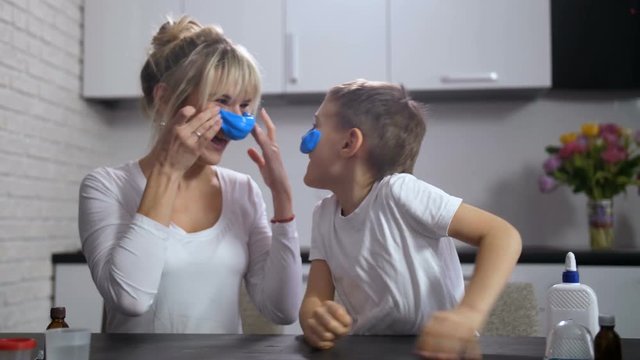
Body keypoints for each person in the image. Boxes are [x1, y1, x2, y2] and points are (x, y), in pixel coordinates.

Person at [78, 16, 302, 333]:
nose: (237, 122)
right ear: (165, 98)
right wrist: (169, 170)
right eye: (223, 101)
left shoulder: (243, 191)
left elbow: (282, 310)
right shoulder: (105, 187)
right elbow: (130, 299)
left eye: (245, 106)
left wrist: (283, 197)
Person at [298, 79, 522, 357]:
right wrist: (314, 320)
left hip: (443, 353)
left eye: (315, 126)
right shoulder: (323, 216)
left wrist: (469, 315)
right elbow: (315, 298)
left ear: (349, 142)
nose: (305, 140)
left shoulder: (398, 192)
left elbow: (503, 235)